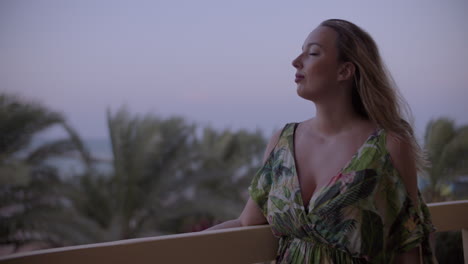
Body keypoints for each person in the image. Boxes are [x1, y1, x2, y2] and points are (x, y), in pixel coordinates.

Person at [204, 19, 437, 263]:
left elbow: (408, 245)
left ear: (344, 71)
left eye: (313, 52)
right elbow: (245, 223)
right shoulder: (282, 143)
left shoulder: (388, 146)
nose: (296, 61)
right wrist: (169, 249)